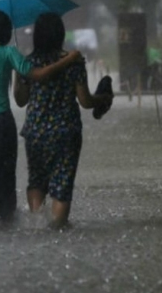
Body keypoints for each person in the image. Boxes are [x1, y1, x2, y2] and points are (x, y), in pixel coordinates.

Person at [0, 10, 81, 225]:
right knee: (4, 172)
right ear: (5, 32)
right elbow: (38, 75)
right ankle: (6, 219)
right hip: (1, 121)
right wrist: (68, 60)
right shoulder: (9, 53)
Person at [13, 12, 113, 230]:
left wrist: (18, 77)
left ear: (36, 36)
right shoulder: (73, 62)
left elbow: (20, 101)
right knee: (62, 184)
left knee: (37, 180)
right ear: (60, 35)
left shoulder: (28, 63)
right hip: (66, 132)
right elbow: (85, 101)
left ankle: (37, 225)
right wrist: (103, 98)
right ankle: (57, 228)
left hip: (35, 132)